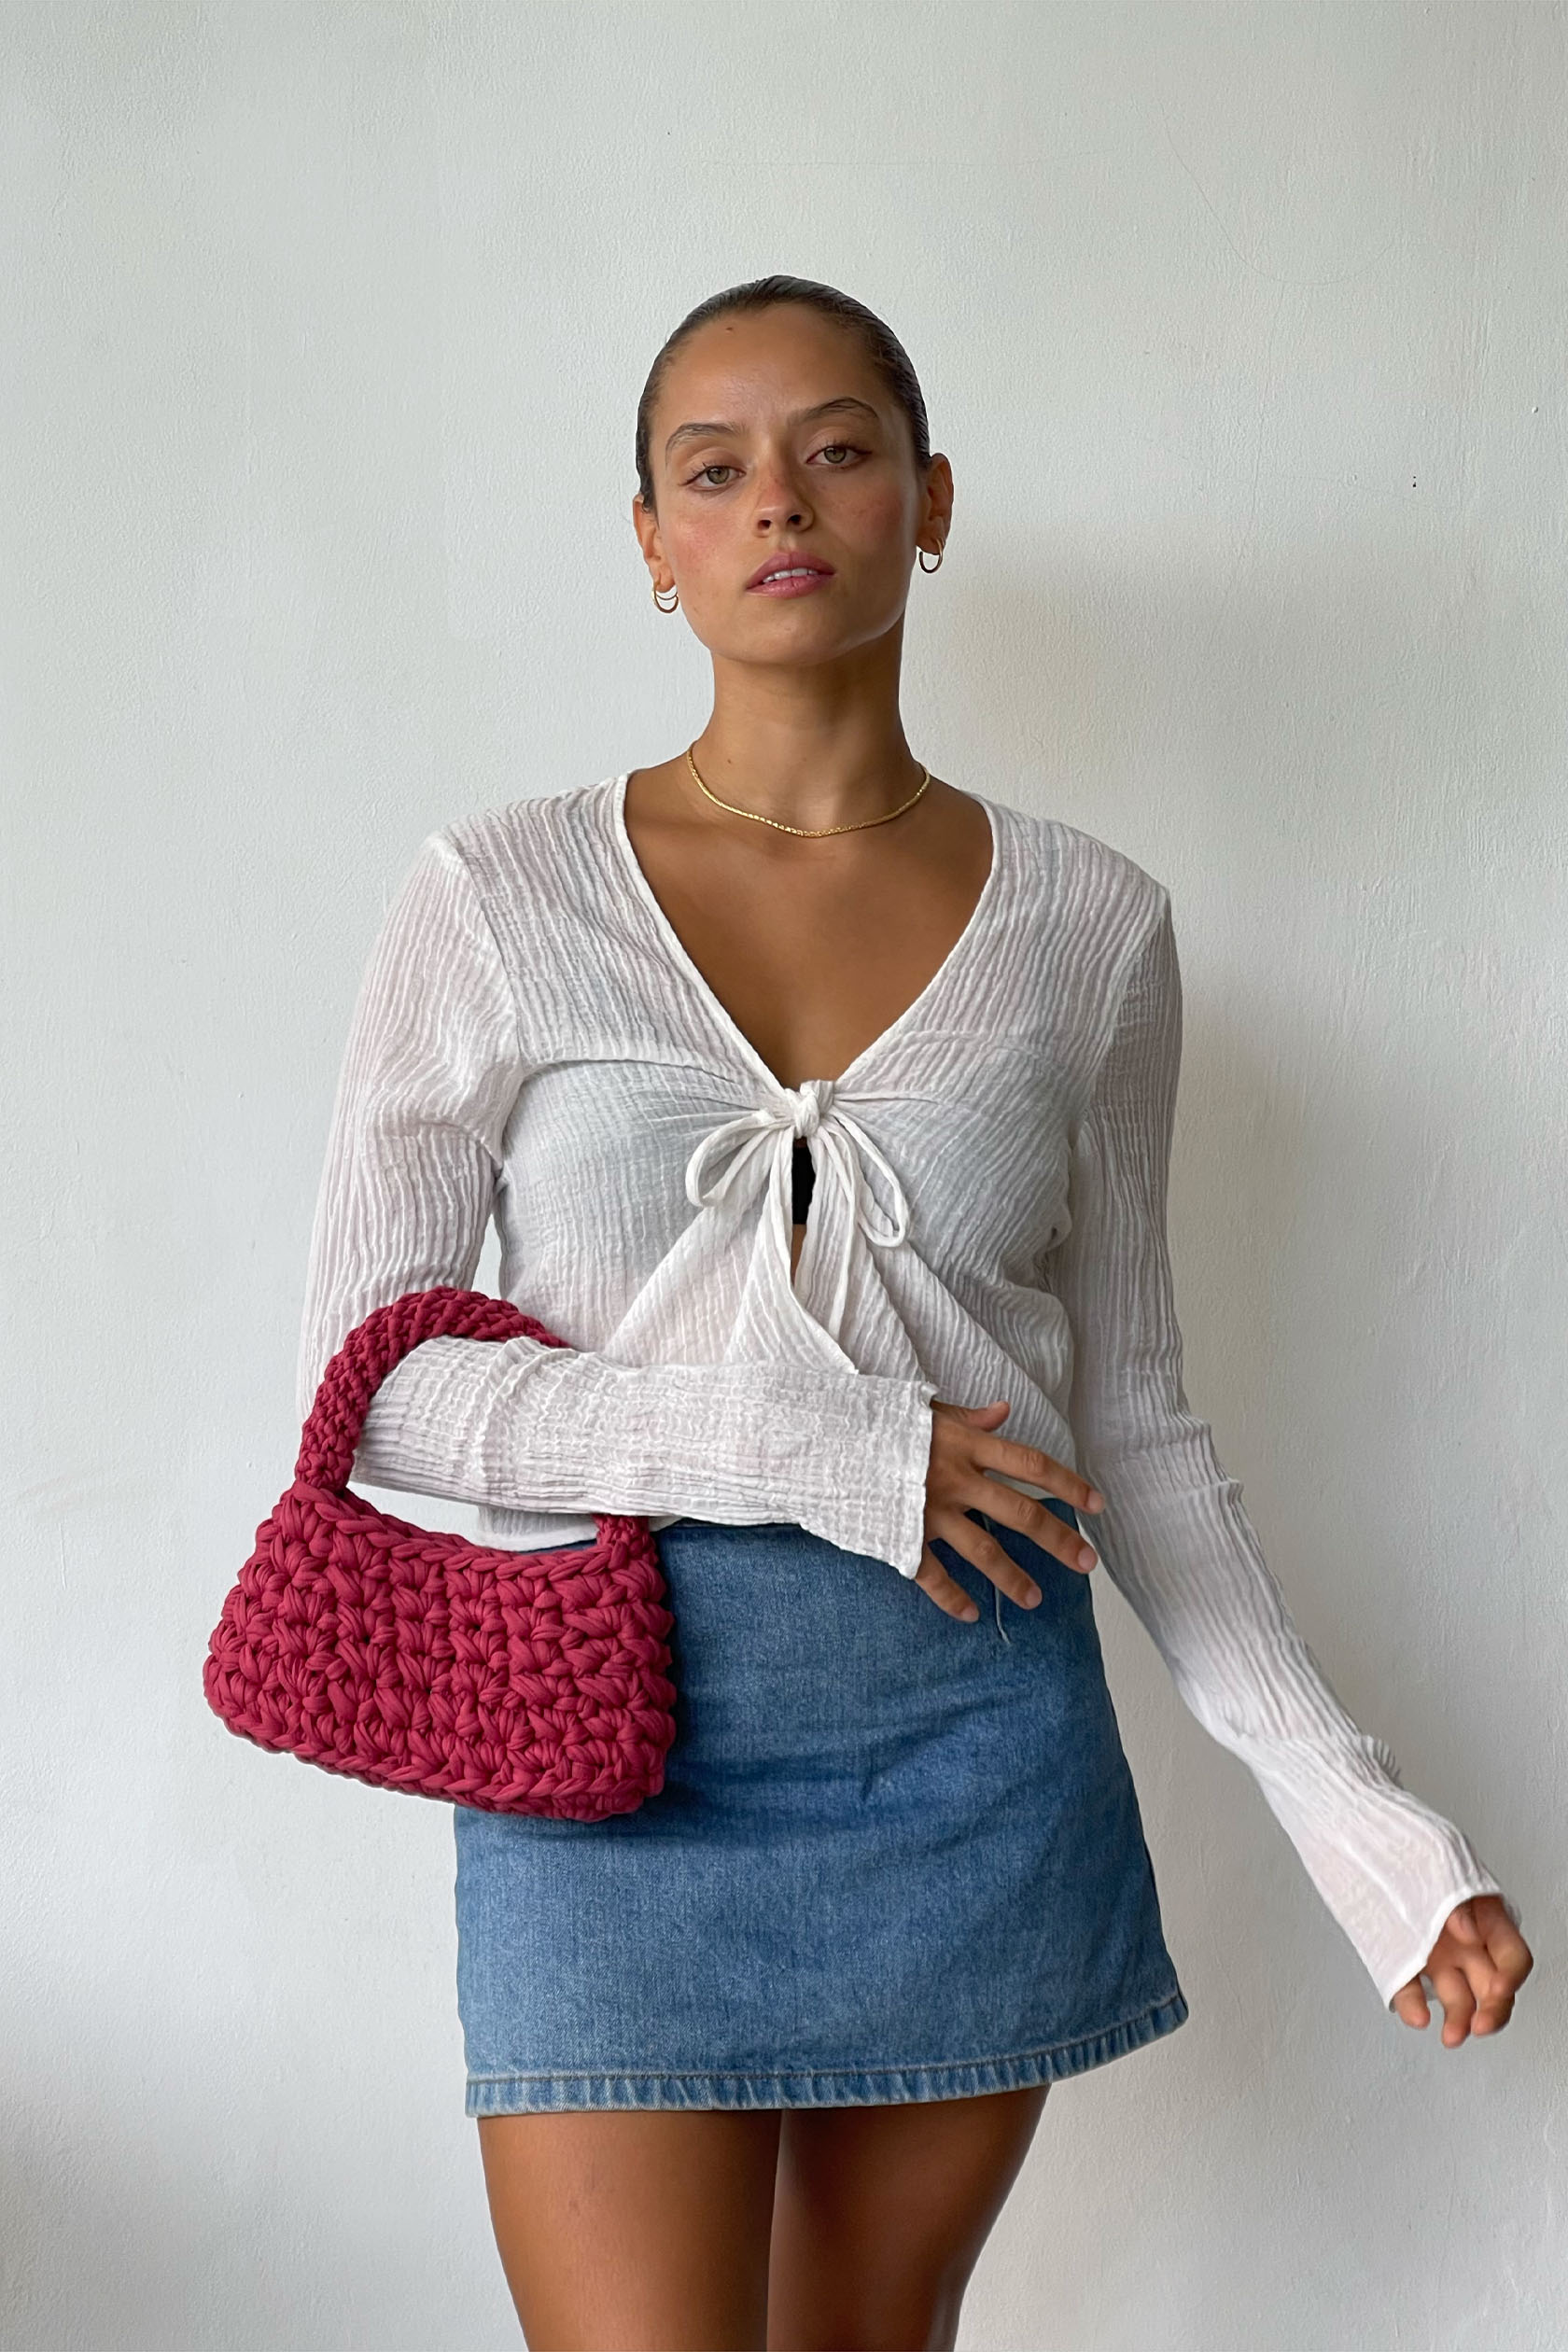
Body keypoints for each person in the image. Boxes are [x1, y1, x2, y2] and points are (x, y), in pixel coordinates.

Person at [295, 275, 1533, 2351]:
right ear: (653, 539)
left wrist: (1366, 1825)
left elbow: (1131, 1428)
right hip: (607, 1747)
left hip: (969, 1744)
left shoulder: (1090, 926)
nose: (780, 496)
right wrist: (813, 1445)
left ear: (927, 498)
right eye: (715, 465)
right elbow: (383, 1392)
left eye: (840, 446)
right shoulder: (495, 898)